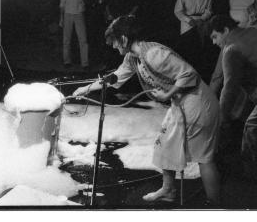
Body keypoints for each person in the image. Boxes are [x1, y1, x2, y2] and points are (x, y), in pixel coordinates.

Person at [73, 16, 221, 205]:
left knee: (203, 157)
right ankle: (168, 190)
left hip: (198, 102)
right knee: (165, 144)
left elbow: (189, 74)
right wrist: (85, 88)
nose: (114, 47)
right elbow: (117, 76)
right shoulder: (133, 57)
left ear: (124, 39)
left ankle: (215, 206)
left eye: (116, 43)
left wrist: (168, 95)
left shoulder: (153, 53)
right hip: (180, 103)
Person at [209, 15, 257, 181]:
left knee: (253, 125)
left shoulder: (231, 48)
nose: (213, 42)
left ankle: (256, 175)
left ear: (225, 30)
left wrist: (221, 118)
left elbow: (229, 87)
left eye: (214, 36)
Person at [174, 0, 213, 80]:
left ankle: (197, 74)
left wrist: (202, 19)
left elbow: (209, 10)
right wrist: (188, 20)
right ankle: (183, 74)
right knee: (186, 48)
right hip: (188, 22)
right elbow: (178, 10)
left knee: (200, 49)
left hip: (201, 21)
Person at [104, 0, 138, 69]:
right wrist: (108, 14)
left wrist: (129, 16)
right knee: (113, 41)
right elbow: (107, 4)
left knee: (123, 42)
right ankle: (111, 64)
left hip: (124, 21)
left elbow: (136, 5)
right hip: (114, 19)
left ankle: (122, 65)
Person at [59, 0, 90, 70]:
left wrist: (84, 1)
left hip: (79, 14)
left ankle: (85, 64)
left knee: (83, 40)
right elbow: (62, 2)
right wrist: (61, 18)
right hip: (68, 14)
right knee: (66, 39)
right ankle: (67, 61)